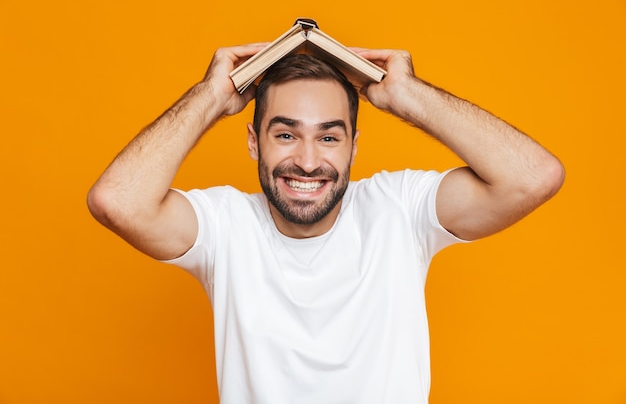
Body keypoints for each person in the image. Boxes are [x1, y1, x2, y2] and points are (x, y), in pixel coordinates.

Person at [87, 43, 564, 403]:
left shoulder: (399, 208)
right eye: (286, 133)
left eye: (329, 137)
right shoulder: (225, 225)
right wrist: (211, 95)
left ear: (354, 145)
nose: (308, 161)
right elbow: (116, 201)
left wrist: (407, 95)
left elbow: (532, 177)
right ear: (254, 142)